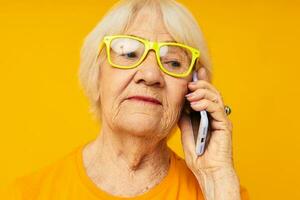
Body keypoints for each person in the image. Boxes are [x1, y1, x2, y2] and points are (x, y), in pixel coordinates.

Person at [1, 0, 249, 199]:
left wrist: (216, 177)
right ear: (96, 75)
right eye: (129, 53)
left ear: (193, 88)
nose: (151, 75)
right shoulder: (28, 194)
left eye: (173, 62)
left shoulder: (218, 191)